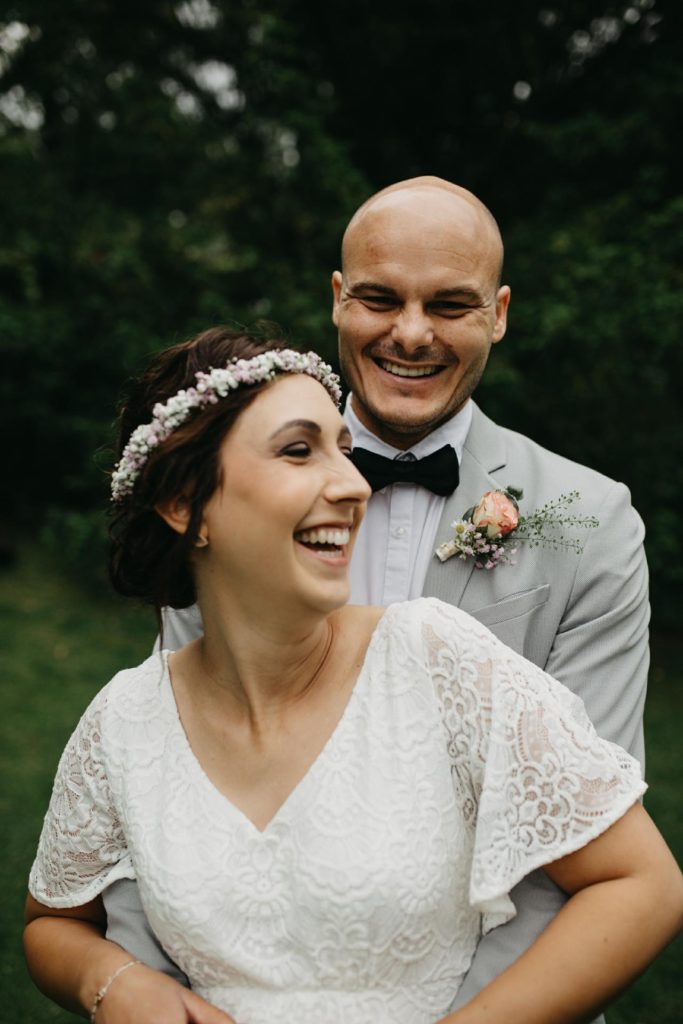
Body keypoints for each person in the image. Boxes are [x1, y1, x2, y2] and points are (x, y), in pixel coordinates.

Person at [24, 327, 682, 1024]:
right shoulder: (124, 720)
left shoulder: (437, 658)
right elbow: (51, 924)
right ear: (186, 504)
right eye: (299, 450)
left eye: (342, 449)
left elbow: (640, 882)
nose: (351, 483)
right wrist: (113, 981)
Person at [106, 177, 652, 1015]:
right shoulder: (234, 505)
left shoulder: (590, 522)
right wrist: (145, 984)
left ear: (498, 314)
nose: (409, 333)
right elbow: (172, 780)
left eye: (450, 304)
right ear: (337, 298)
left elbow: (579, 846)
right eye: (378, 297)